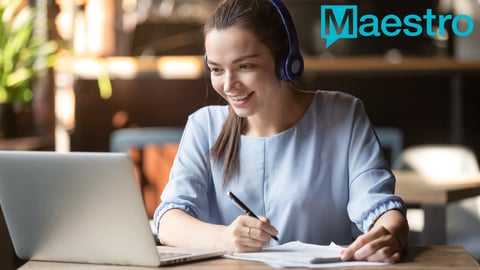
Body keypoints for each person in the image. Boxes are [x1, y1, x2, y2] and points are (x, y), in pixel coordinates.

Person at [153, 0, 409, 263]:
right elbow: (168, 221)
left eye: (245, 66)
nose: (229, 85)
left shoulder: (343, 114)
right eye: (217, 69)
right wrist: (225, 238)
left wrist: (390, 234)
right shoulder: (204, 125)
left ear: (285, 61)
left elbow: (379, 205)